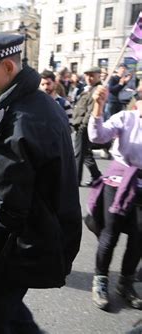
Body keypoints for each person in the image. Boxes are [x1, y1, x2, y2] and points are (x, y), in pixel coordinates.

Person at [0, 33, 81, 333]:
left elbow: (8, 208)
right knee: (11, 311)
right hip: (35, 235)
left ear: (8, 68)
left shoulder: (16, 120)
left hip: (16, 242)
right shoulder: (36, 104)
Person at [87, 86, 142, 311]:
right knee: (110, 234)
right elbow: (97, 136)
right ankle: (100, 280)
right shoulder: (126, 118)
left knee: (139, 237)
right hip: (117, 182)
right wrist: (99, 107)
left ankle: (125, 283)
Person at [72, 66, 103, 186]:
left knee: (79, 154)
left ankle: (75, 180)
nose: (89, 78)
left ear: (98, 76)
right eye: (87, 75)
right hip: (79, 124)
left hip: (83, 126)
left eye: (92, 75)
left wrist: (82, 127)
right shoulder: (88, 89)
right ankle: (97, 176)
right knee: (85, 153)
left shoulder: (97, 90)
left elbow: (90, 111)